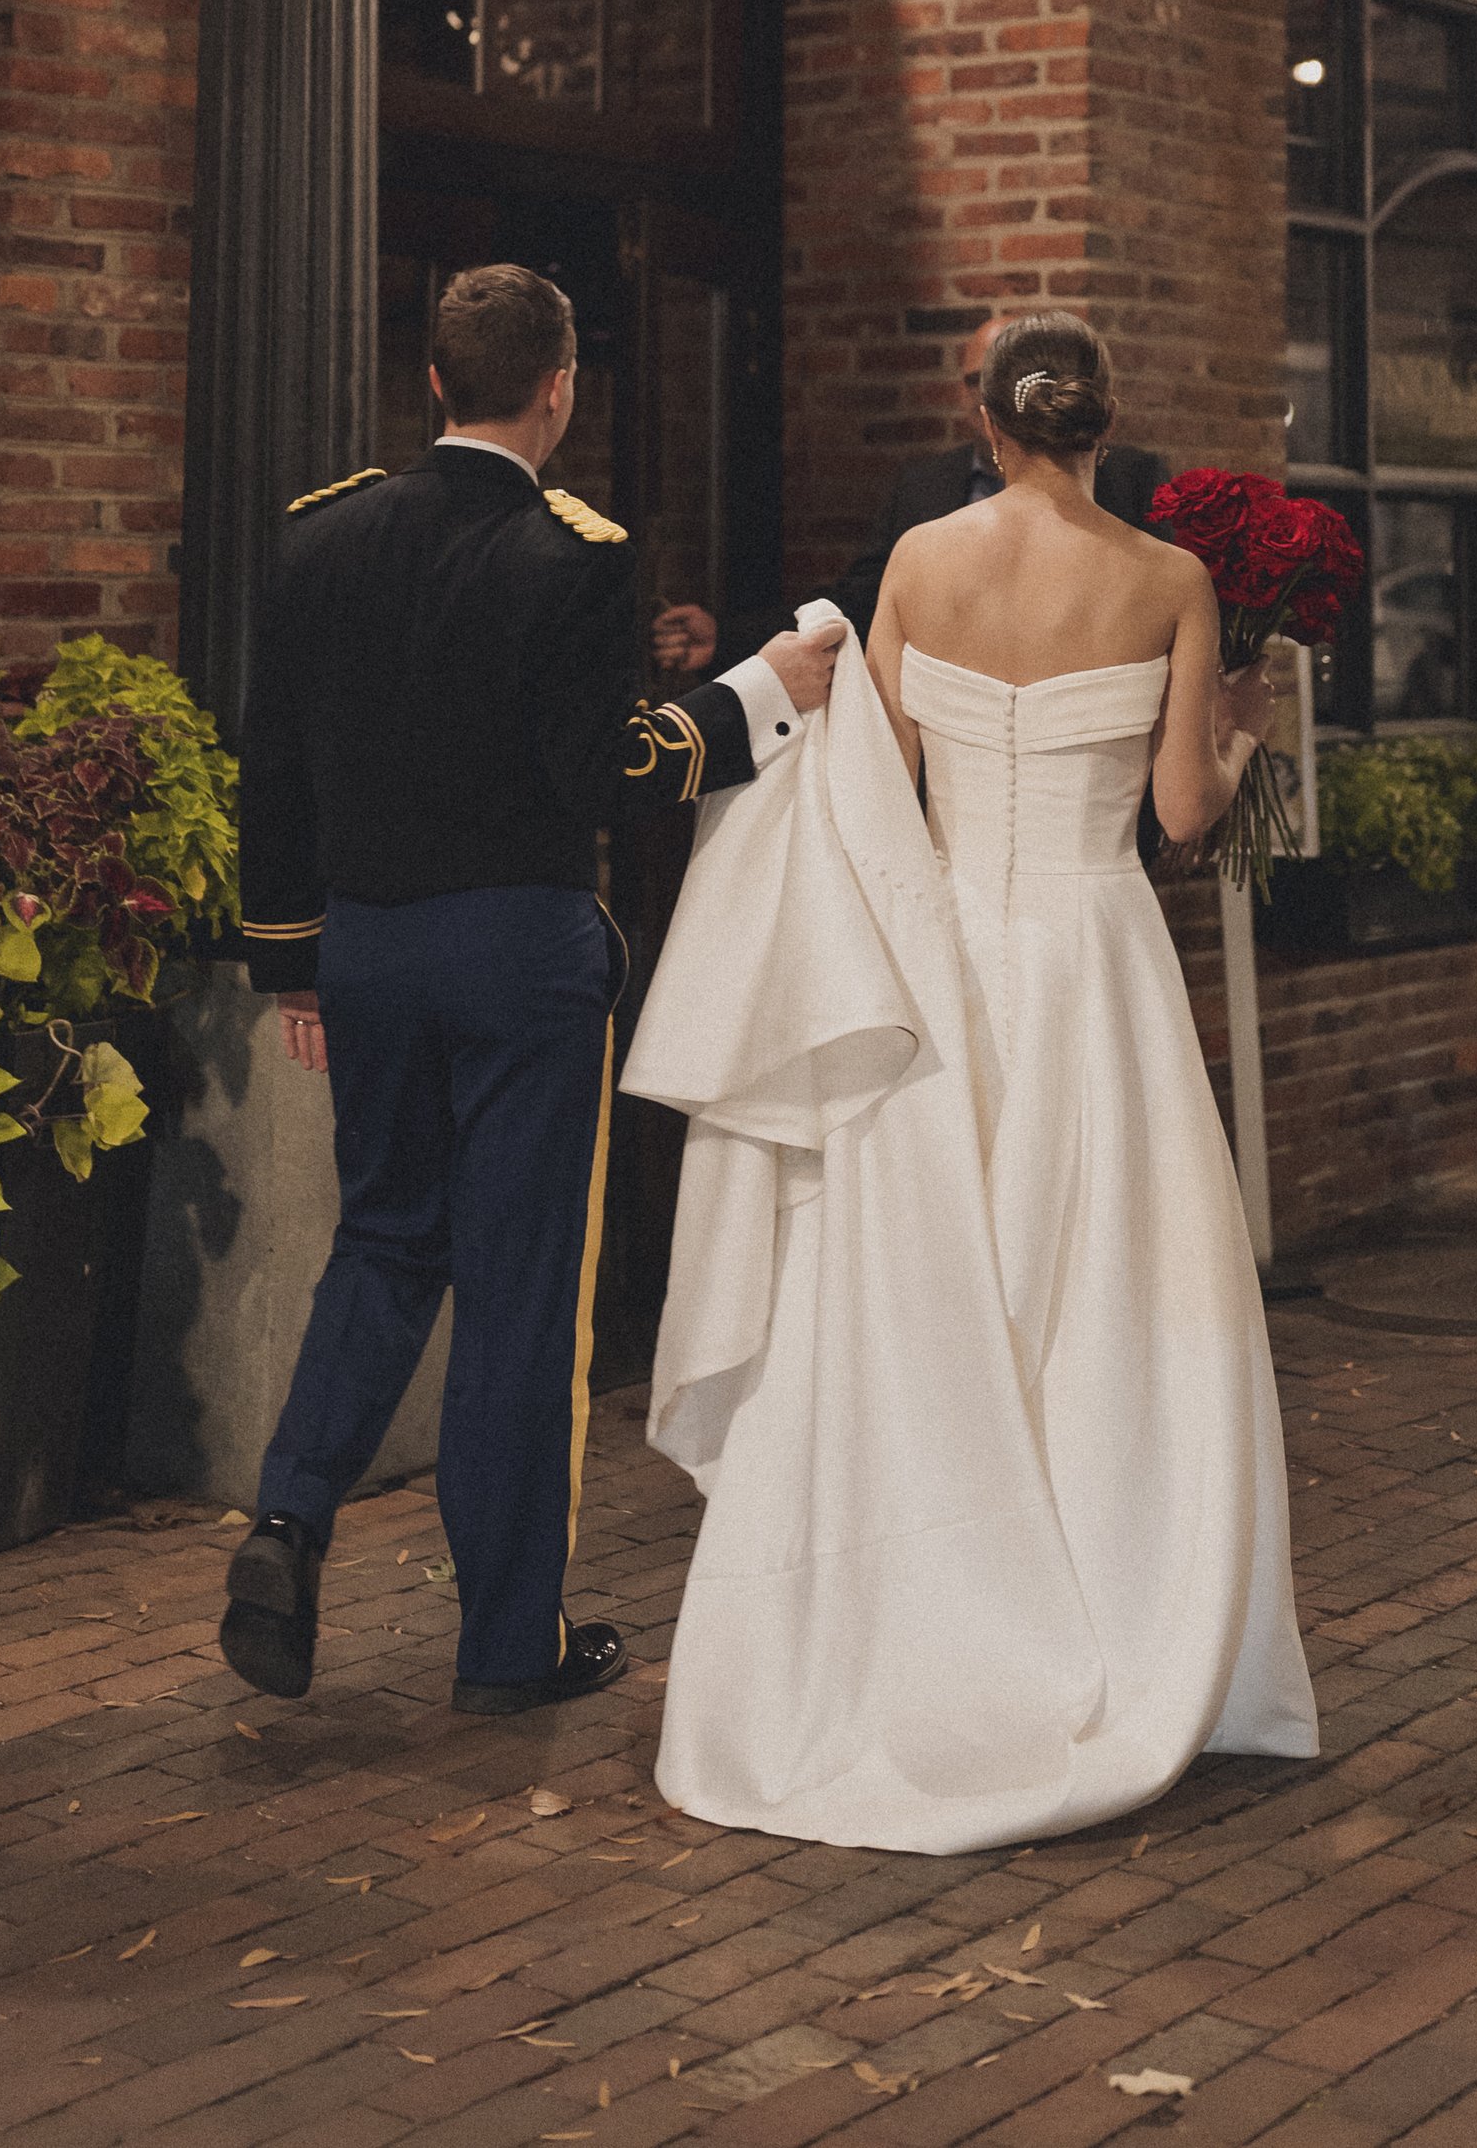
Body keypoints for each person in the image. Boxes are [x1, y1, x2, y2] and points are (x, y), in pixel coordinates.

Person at [624, 306, 1318, 1850]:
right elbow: (1185, 814)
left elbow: (880, 784)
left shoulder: (924, 563)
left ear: (988, 423)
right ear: (1103, 426)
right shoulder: (1173, 577)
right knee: (1115, 1286)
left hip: (949, 964)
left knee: (942, 1281)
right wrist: (1246, 722)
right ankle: (1122, 1587)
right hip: (1099, 964)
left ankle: (936, 1590)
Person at [220, 262, 844, 1715]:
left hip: (365, 947)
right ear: (558, 388)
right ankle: (507, 1644)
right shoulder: (577, 551)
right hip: (516, 956)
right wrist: (757, 692)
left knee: (381, 1243)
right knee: (516, 1292)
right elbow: (610, 770)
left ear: (433, 382)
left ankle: (289, 1516)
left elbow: (277, 768)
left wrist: (291, 958)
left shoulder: (321, 536)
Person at [649, 310, 1170, 677]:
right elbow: (860, 599)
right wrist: (731, 638)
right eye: (973, 380)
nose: (983, 396)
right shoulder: (925, 488)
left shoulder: (1130, 480)